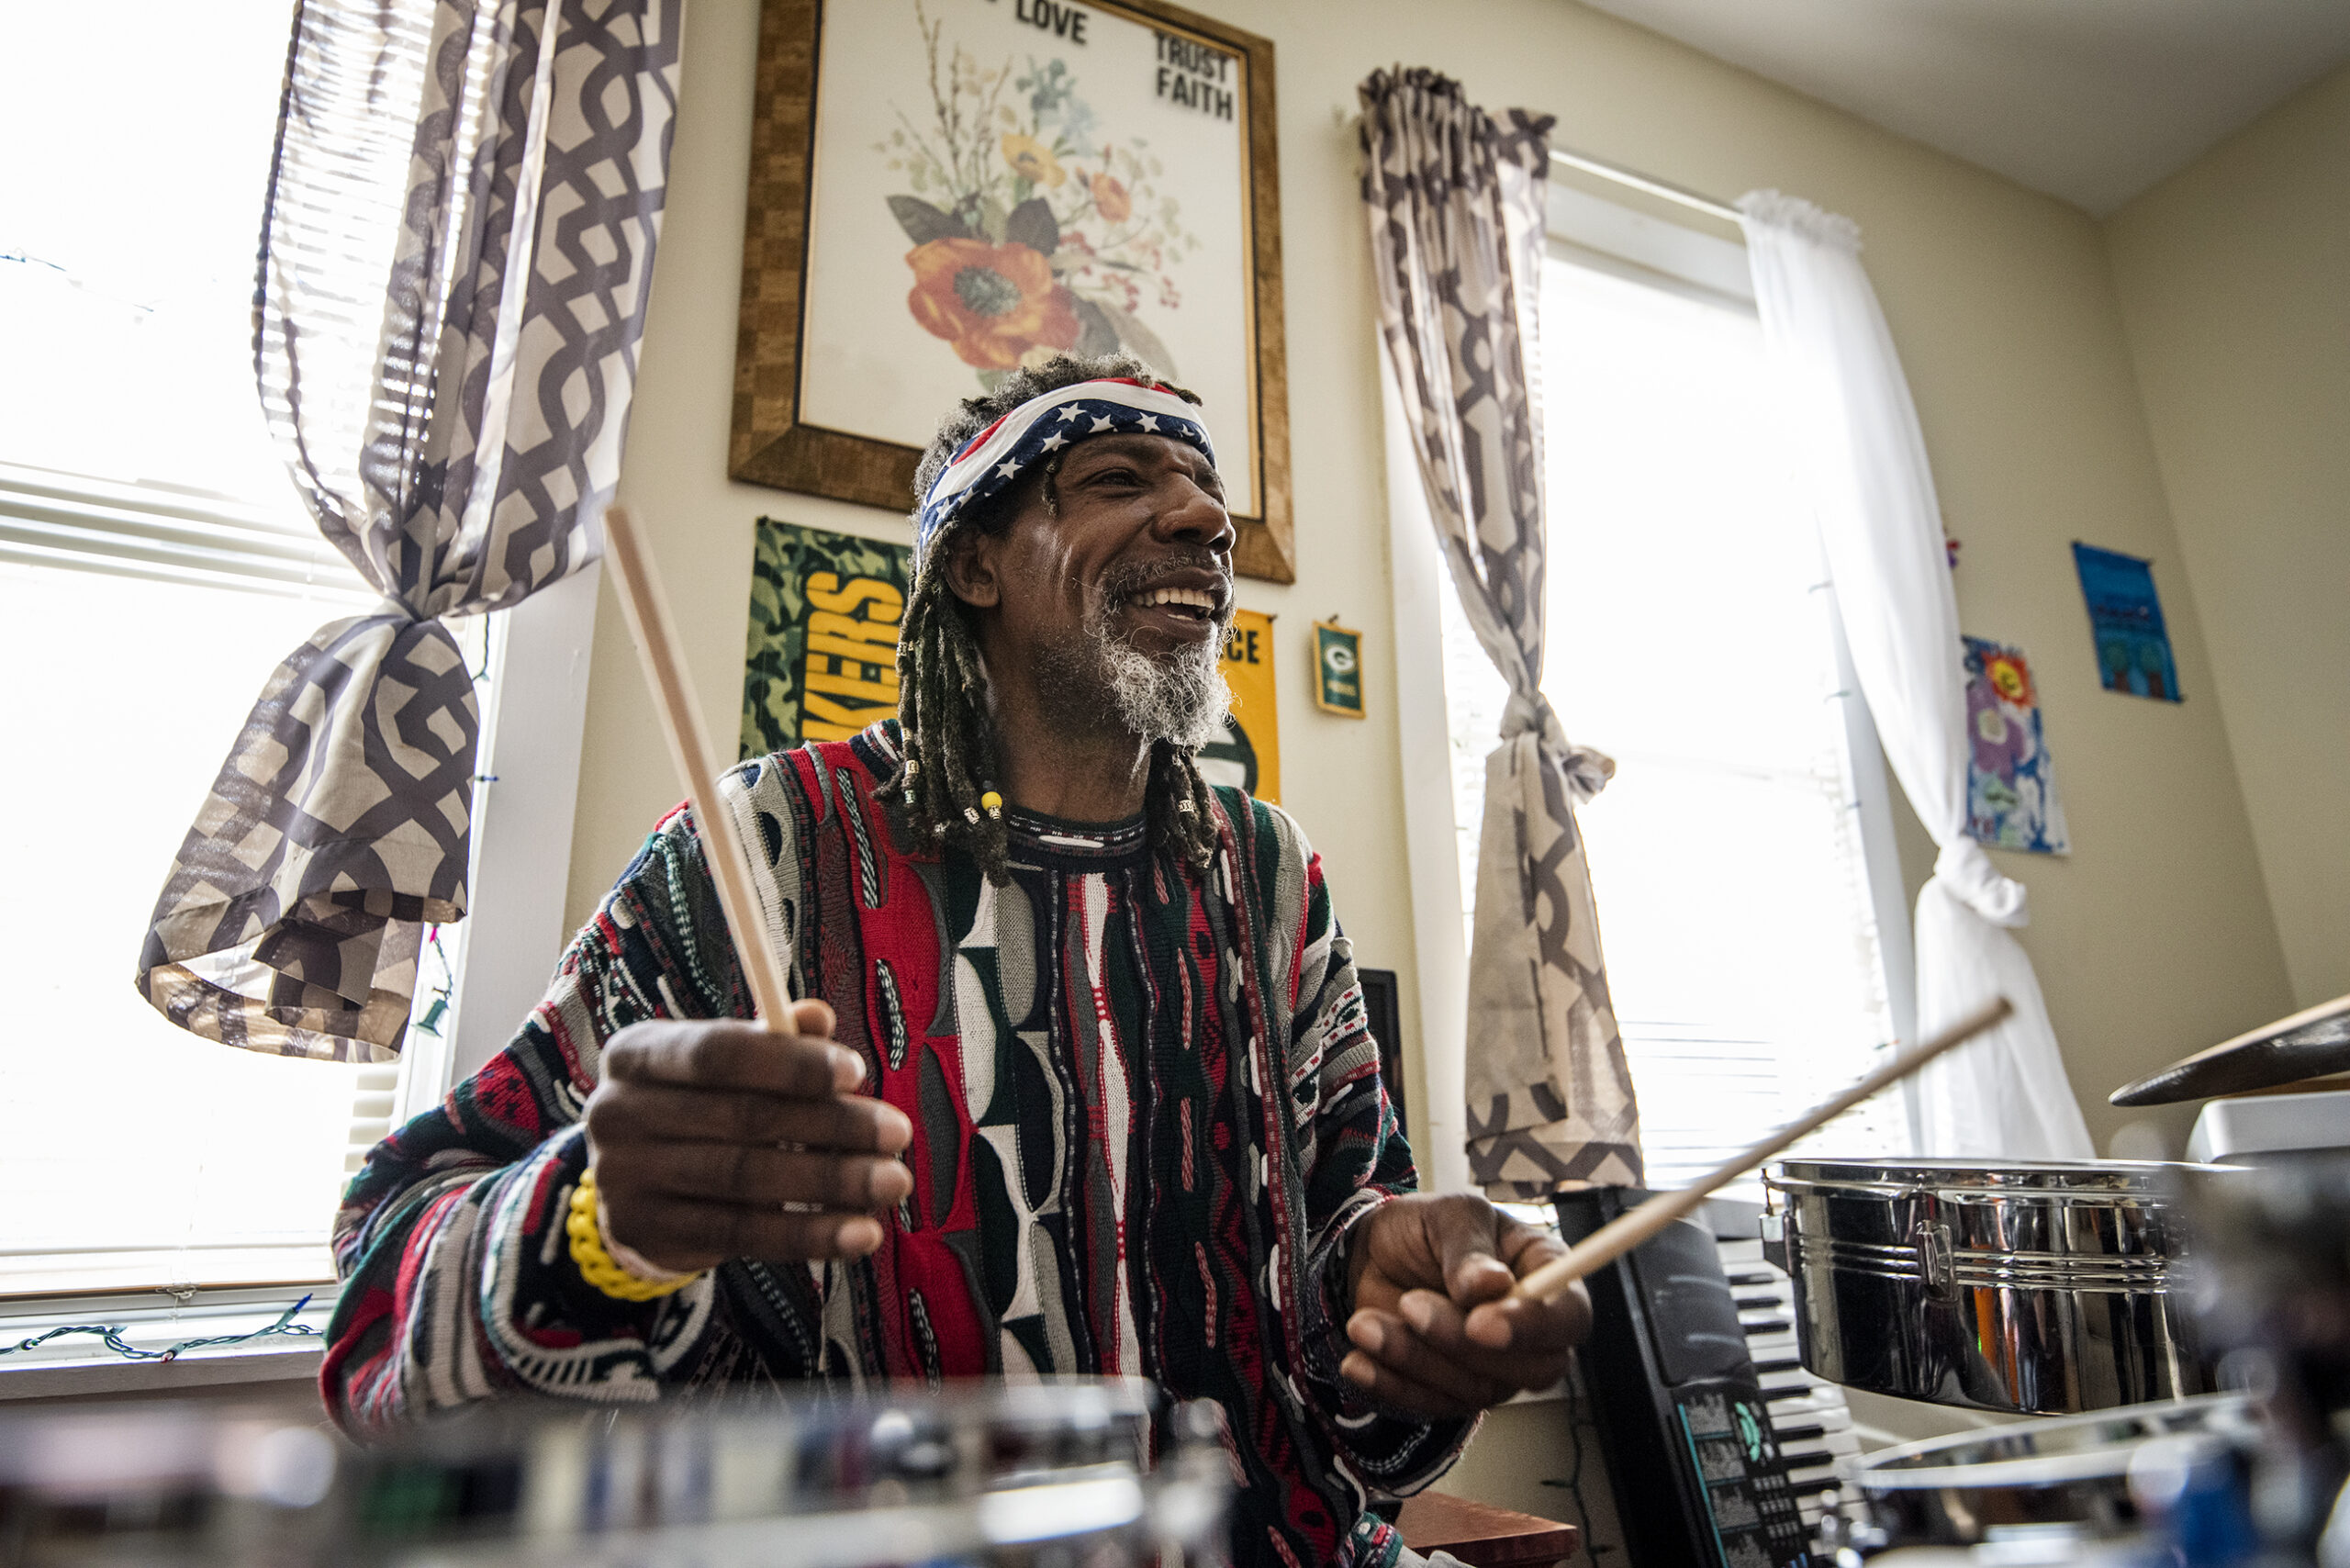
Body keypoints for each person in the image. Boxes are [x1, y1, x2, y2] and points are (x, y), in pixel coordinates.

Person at [323, 353, 1590, 1568]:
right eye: (1118, 480)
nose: (1208, 520)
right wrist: (595, 1224)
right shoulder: (767, 854)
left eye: (1207, 495)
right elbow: (381, 1317)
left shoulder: (1263, 873)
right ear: (974, 563)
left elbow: (1345, 1270)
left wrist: (1398, 1306)